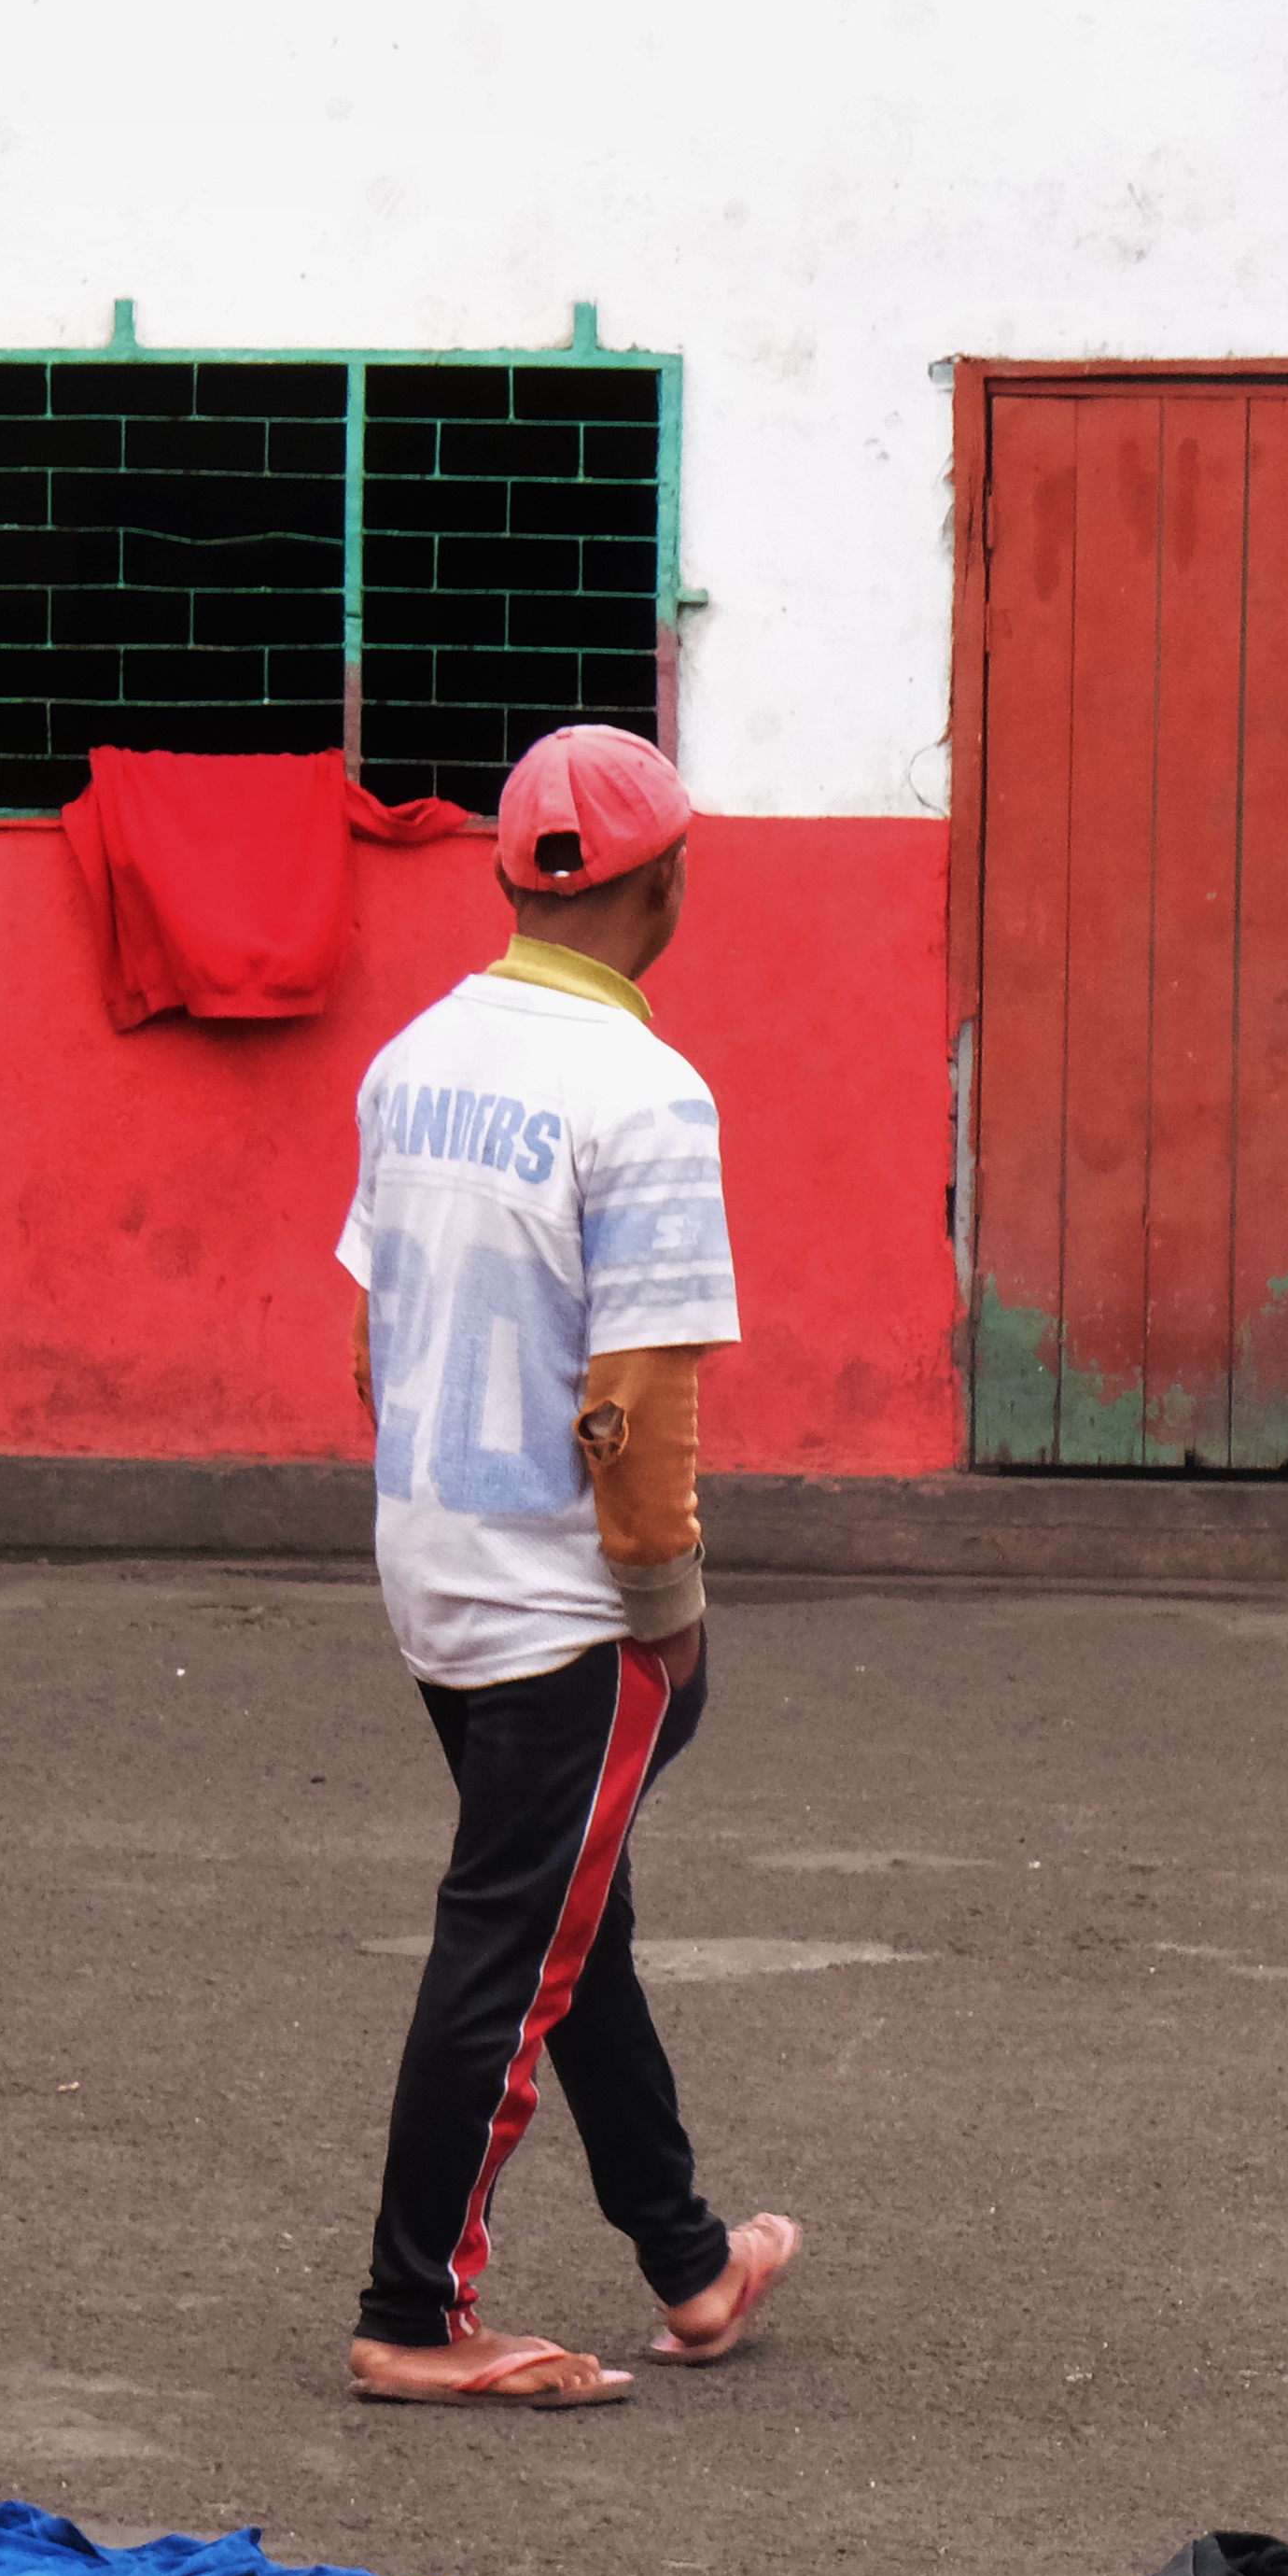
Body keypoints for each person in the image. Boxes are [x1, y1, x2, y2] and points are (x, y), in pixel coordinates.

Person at [332, 721, 797, 2410]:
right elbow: (637, 1392)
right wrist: (661, 1606)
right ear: (663, 881)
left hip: (431, 1568)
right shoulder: (645, 1095)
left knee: (559, 1920)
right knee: (510, 1947)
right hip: (563, 1607)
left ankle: (688, 2264)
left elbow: (368, 1329)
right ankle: (408, 2313)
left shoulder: (411, 1058)